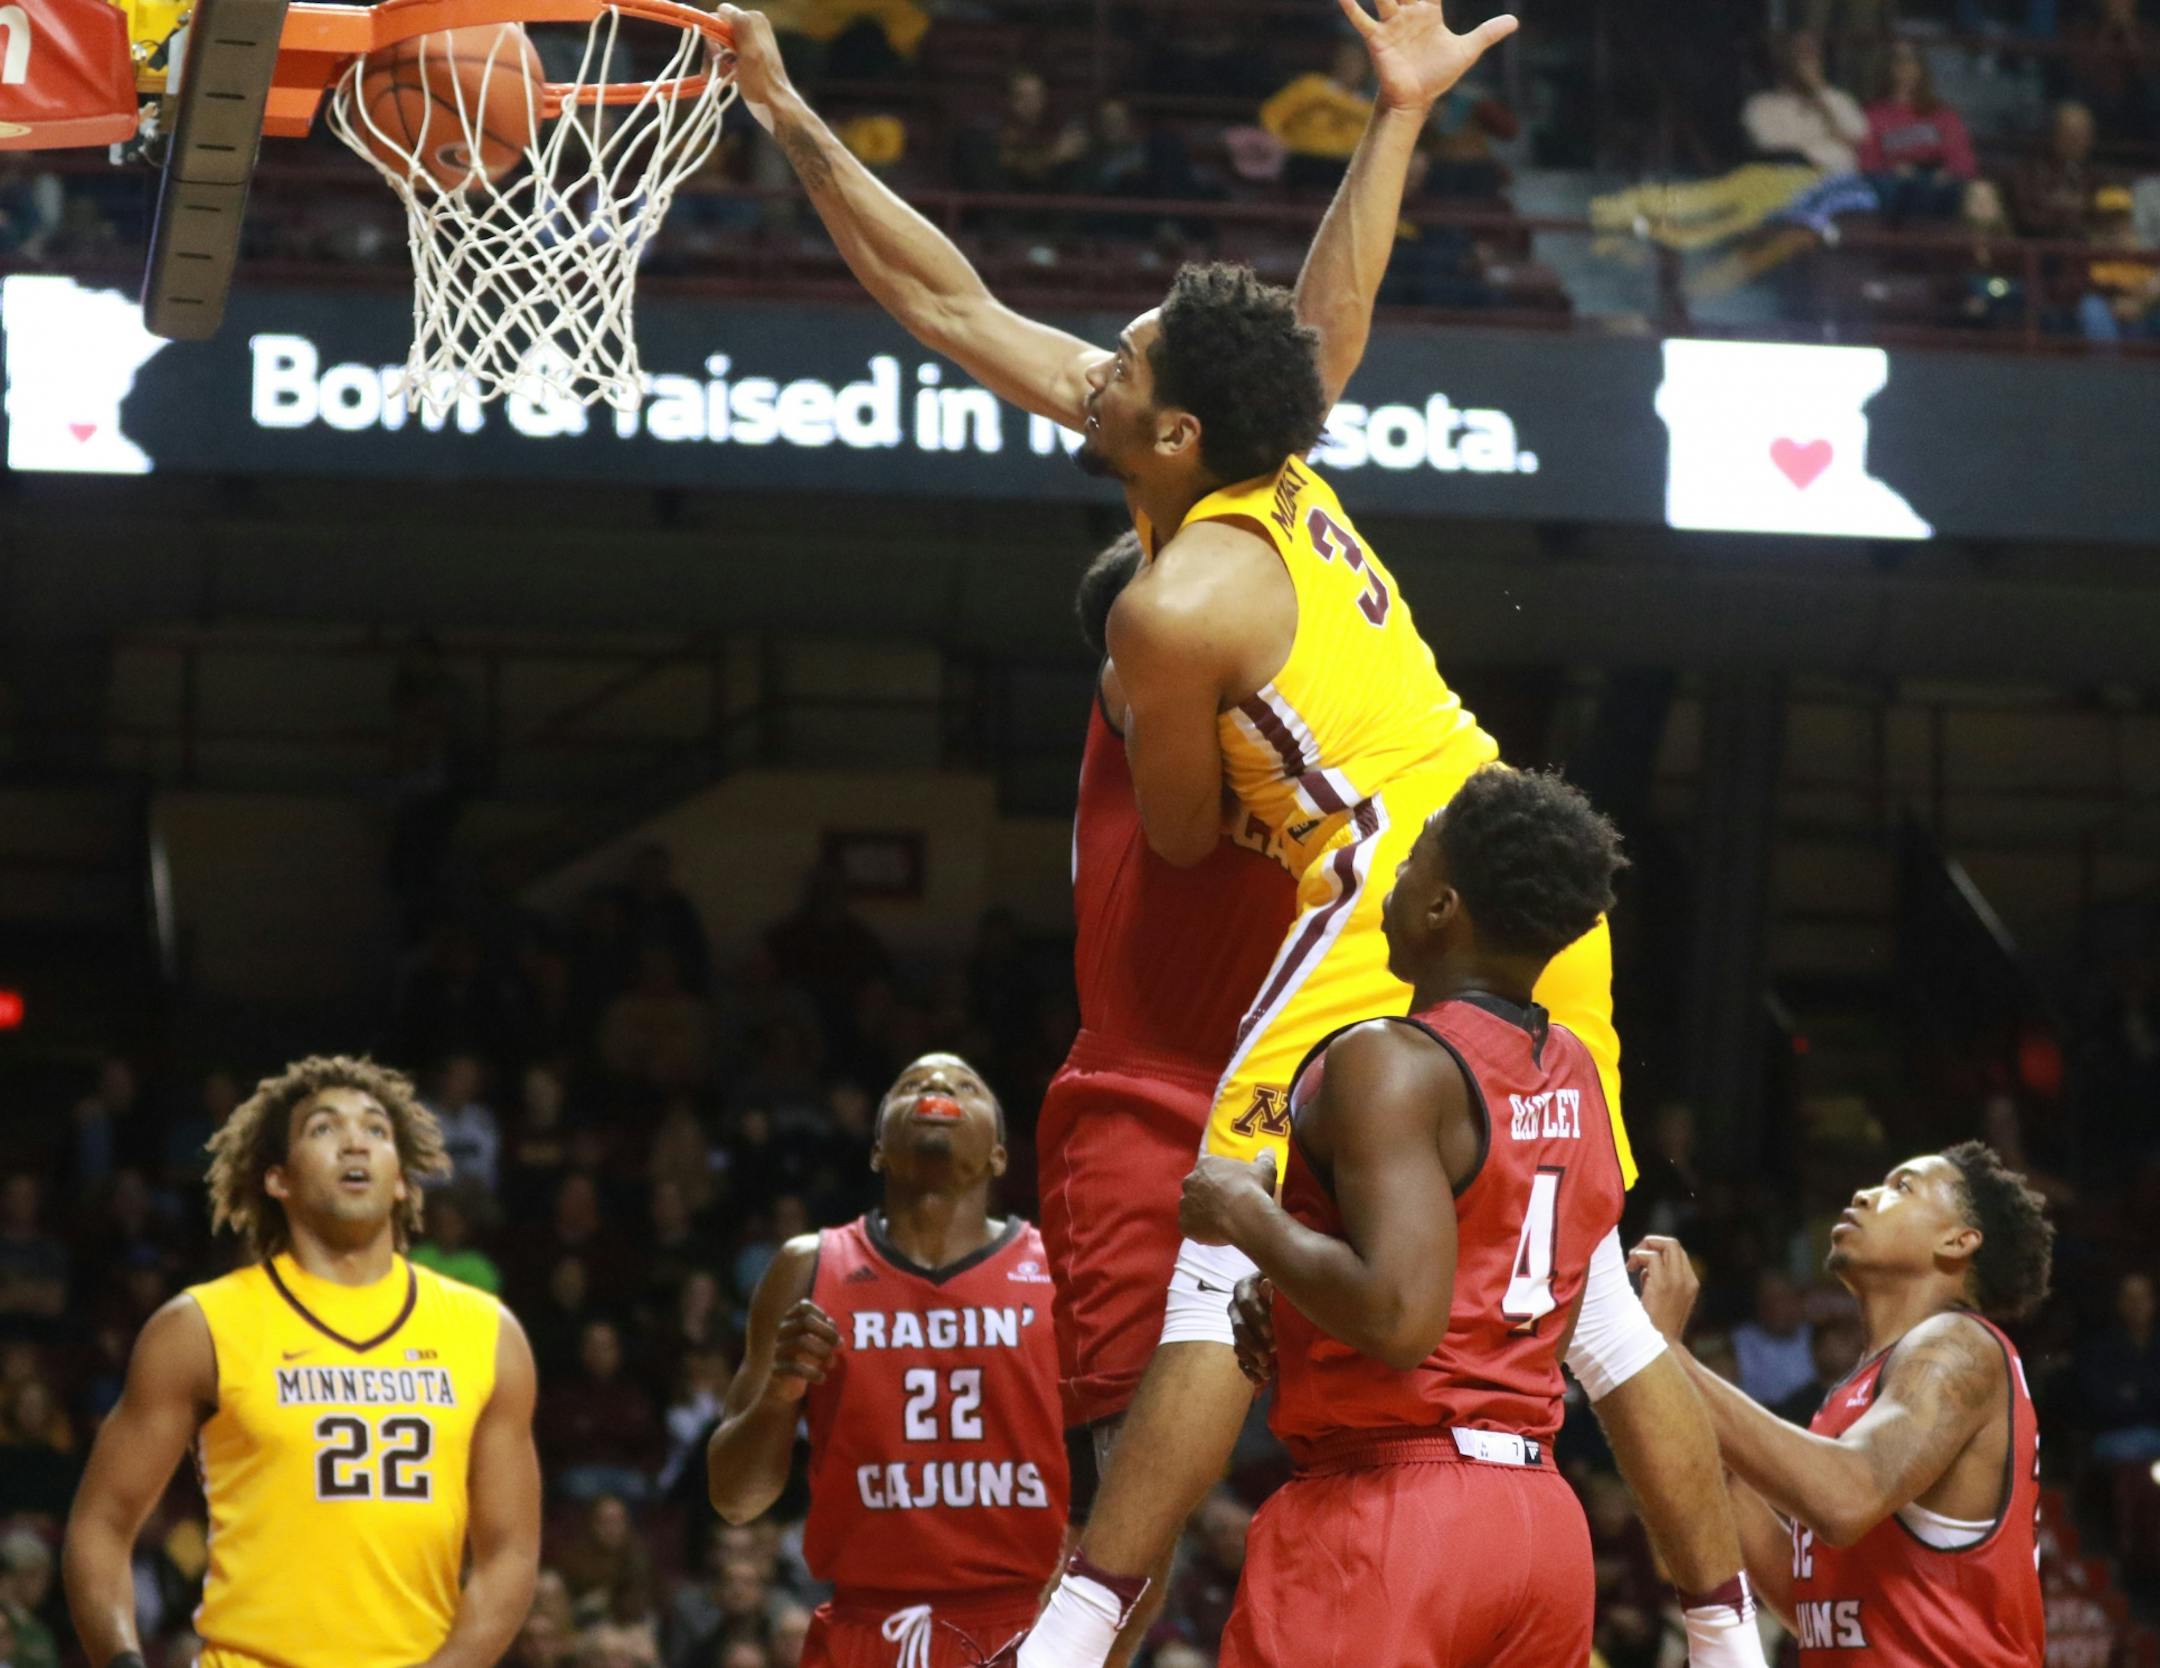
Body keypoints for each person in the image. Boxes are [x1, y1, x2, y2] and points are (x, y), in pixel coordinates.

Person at [720, 7, 1755, 1665]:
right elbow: (952, 297)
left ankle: (1070, 1626)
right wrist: (783, 108)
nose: (1097, 367)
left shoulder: (1168, 605)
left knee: (1224, 1218)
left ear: (1174, 437)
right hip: (1527, 871)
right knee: (1590, 1288)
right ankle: (1724, 1629)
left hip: (1397, 891)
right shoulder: (1273, 458)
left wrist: (1151, 735)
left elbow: (1194, 843)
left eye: (1121, 367)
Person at [1168, 768, 1631, 1665]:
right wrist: (1302, 1308)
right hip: (1538, 1523)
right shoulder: (1573, 1070)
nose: (1392, 876)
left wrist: (1242, 1213)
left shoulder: (1387, 1056)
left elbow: (1397, 1318)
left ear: (1441, 907)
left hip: (1390, 1517)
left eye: (1412, 857)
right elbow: (1525, 1296)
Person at [62, 1055, 541, 1668]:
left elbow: (510, 1553)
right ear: (277, 1180)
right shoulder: (199, 1327)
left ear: (402, 1180)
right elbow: (100, 1524)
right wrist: (124, 1661)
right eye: (323, 1129)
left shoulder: (488, 1332)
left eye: (376, 1130)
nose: (354, 1144)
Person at [1630, 1141, 2054, 1663]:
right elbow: (1815, 1605)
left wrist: (1671, 1355)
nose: (1865, 1194)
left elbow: (1846, 1499)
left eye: (1902, 1187)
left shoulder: (1959, 1346)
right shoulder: (1856, 1393)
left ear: (1957, 1241)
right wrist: (1720, 1454)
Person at [708, 1053, 1067, 1666]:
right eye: (911, 1084)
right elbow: (735, 1498)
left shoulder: (1060, 1269)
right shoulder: (808, 1266)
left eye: (966, 1086)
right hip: (868, 1627)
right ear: (877, 1150)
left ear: (1000, 1156)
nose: (936, 1086)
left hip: (1031, 1624)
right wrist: (780, 1395)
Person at [1743, 32, 1869, 173]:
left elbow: (1857, 143)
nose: (1808, 60)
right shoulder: (1761, 106)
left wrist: (1820, 98)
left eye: (1812, 53)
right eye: (1800, 53)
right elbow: (1774, 150)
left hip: (1841, 182)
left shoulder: (1837, 99)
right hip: (1791, 181)